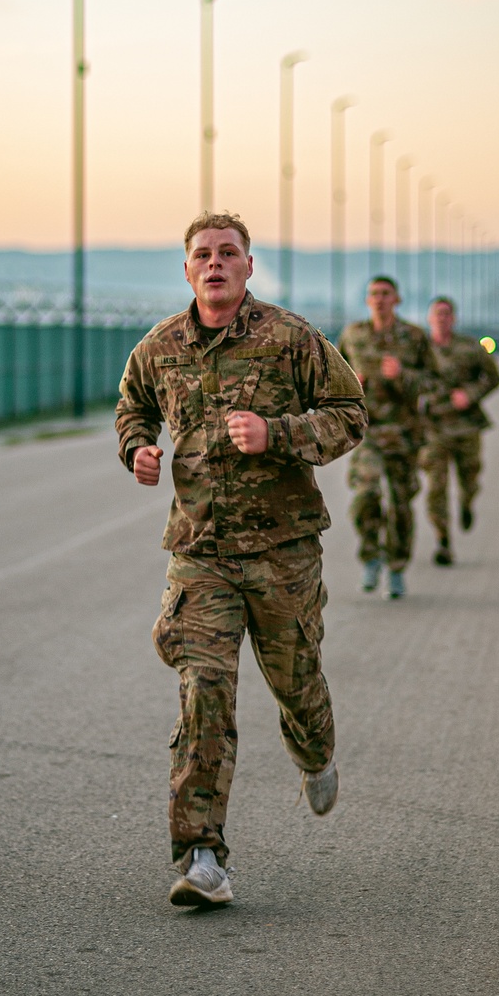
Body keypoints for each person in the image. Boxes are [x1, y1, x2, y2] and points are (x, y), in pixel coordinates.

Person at [116, 211, 367, 908]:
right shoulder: (160, 347)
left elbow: (350, 411)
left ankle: (314, 751)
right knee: (205, 690)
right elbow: (133, 404)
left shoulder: (292, 339)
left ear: (249, 266)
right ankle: (201, 856)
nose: (216, 263)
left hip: (283, 551)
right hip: (201, 552)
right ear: (188, 269)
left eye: (229, 252)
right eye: (203, 254)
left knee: (297, 683)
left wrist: (278, 433)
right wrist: (137, 447)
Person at [338, 276, 438, 598]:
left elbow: (434, 384)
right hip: (366, 433)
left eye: (385, 294)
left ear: (397, 299)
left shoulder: (414, 337)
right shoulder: (354, 336)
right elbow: (332, 378)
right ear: (367, 301)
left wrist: (404, 375)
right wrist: (352, 382)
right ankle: (370, 556)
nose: (379, 299)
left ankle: (396, 566)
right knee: (365, 496)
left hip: (405, 435)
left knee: (400, 504)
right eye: (373, 294)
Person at [420, 297, 499, 566]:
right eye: (437, 314)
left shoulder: (469, 347)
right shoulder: (421, 349)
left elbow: (493, 378)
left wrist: (471, 394)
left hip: (466, 426)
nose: (442, 319)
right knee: (436, 487)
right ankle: (442, 540)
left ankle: (467, 503)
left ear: (453, 318)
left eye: (446, 314)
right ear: (430, 318)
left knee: (470, 479)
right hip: (434, 427)